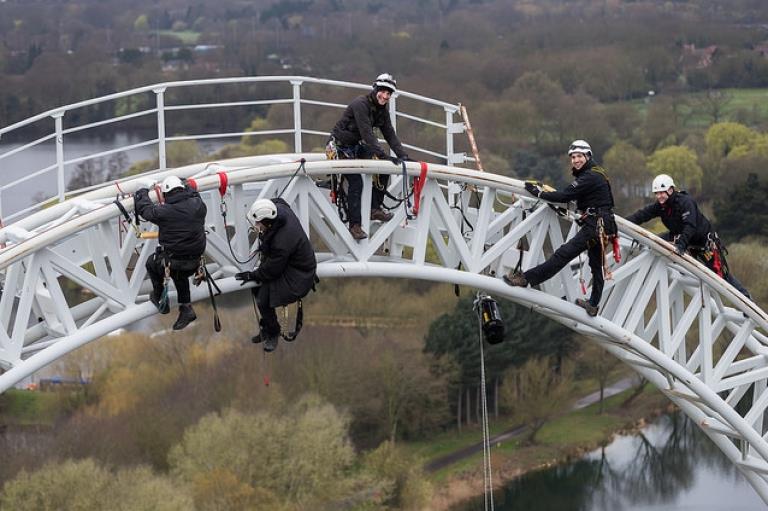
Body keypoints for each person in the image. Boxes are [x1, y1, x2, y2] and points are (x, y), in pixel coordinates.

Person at [504, 140, 617, 317]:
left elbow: (564, 196)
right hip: (602, 224)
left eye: (579, 156)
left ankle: (526, 278)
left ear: (588, 156)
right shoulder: (595, 174)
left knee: (563, 255)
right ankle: (593, 304)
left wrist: (538, 193)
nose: (575, 160)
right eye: (573, 157)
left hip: (596, 225)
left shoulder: (589, 177)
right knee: (595, 266)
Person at [626, 174, 750, 298]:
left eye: (661, 193)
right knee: (654, 242)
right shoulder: (661, 206)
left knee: (723, 276)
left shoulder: (685, 202)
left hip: (703, 242)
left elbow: (690, 226)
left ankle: (746, 298)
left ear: (670, 190)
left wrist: (681, 245)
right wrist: (623, 222)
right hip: (682, 237)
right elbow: (642, 215)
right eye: (657, 193)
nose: (659, 196)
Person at [327, 73, 410, 240]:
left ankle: (374, 208)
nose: (385, 96)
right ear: (375, 89)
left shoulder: (381, 110)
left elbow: (390, 135)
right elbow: (366, 134)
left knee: (384, 167)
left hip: (355, 146)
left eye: (389, 94)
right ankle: (355, 225)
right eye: (383, 92)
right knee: (356, 181)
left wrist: (404, 156)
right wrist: (382, 153)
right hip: (338, 147)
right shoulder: (360, 104)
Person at [235, 198, 317, 352]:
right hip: (291, 262)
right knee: (257, 288)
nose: (257, 226)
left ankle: (273, 332)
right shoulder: (279, 209)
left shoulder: (282, 241)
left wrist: (252, 275)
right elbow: (279, 200)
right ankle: (267, 324)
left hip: (299, 273)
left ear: (268, 223)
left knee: (263, 300)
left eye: (259, 223)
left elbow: (272, 270)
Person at [134, 175, 207, 330]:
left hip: (175, 264)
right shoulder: (199, 205)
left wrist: (142, 192)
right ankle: (186, 308)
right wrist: (186, 183)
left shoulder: (164, 211)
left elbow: (145, 210)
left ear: (166, 194)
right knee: (179, 271)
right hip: (194, 262)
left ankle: (159, 296)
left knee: (152, 263)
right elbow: (194, 193)